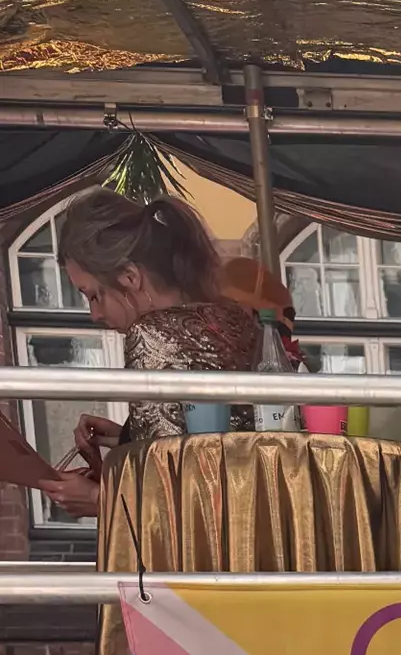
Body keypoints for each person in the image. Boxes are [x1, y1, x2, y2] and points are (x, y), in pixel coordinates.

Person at [38, 189, 261, 515]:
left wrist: (98, 499)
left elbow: (165, 491)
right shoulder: (231, 315)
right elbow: (207, 437)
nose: (94, 315)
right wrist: (127, 436)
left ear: (130, 277)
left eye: (93, 296)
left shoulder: (151, 333)